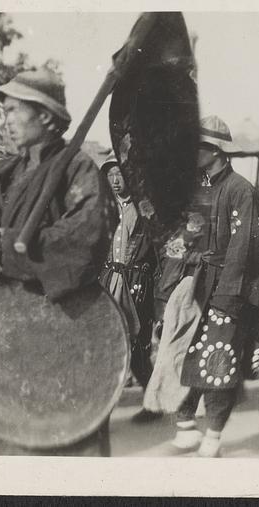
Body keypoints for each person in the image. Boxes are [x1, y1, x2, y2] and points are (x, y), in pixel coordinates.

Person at [0, 68, 117, 456]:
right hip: (0, 323)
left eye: (16, 110)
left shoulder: (77, 169)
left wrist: (19, 257)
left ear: (47, 118)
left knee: (53, 447)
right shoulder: (9, 170)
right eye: (5, 111)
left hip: (58, 324)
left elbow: (86, 235)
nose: (7, 120)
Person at [168, 115, 259, 458]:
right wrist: (176, 264)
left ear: (216, 150)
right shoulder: (201, 187)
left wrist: (229, 295)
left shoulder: (241, 190)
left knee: (218, 359)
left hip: (230, 288)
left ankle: (213, 433)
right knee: (186, 352)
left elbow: (246, 248)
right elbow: (189, 233)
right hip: (198, 282)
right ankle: (185, 421)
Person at [98, 154, 161, 423]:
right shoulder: (102, 207)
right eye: (110, 175)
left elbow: (160, 248)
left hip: (137, 284)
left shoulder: (146, 207)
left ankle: (153, 403)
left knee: (137, 346)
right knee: (104, 342)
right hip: (107, 279)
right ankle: (100, 406)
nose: (115, 180)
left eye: (120, 174)